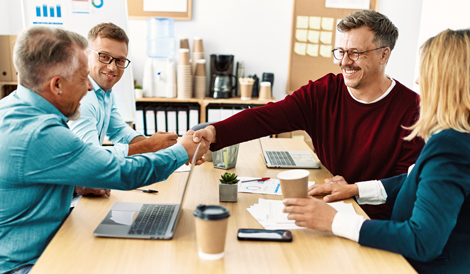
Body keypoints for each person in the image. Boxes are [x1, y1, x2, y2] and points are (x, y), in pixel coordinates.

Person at [0, 26, 207, 274]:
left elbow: (28, 178)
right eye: (81, 77)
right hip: (29, 265)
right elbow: (123, 173)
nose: (89, 88)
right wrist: (182, 150)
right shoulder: (39, 132)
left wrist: (75, 183)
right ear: (56, 85)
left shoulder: (15, 109)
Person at [194, 10, 424, 220]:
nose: (344, 62)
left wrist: (354, 189)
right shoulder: (323, 92)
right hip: (327, 204)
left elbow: (406, 184)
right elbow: (266, 117)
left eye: (355, 54)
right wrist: (214, 133)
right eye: (341, 52)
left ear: (384, 55)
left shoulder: (414, 110)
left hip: (374, 222)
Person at [283, 29, 470, 274]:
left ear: (447, 81)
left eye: (425, 72)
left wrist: (334, 220)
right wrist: (356, 189)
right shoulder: (457, 136)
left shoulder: (450, 145)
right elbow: (420, 179)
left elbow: (423, 241)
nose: (417, 81)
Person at [68, 23, 177, 196]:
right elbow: (92, 157)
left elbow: (121, 132)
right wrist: (149, 145)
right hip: (67, 199)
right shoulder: (82, 96)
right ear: (87, 55)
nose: (112, 67)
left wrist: (168, 147)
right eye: (104, 57)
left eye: (120, 61)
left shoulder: (104, 93)